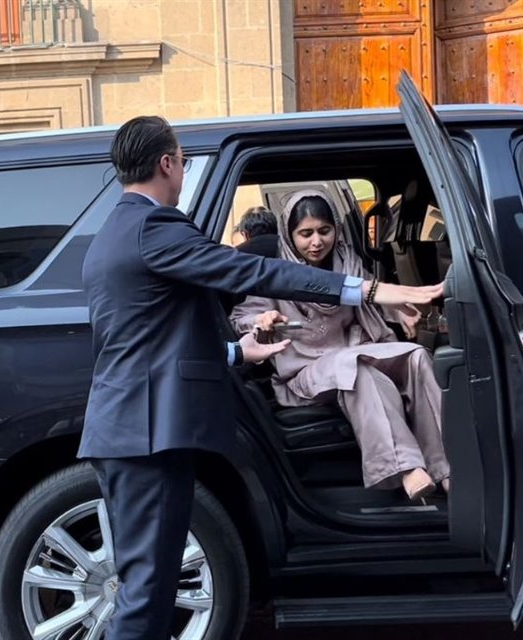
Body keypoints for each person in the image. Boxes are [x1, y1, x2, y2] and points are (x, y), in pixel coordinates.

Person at [80, 116, 444, 640]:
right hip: (146, 437)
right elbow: (257, 272)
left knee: (150, 589)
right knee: (144, 597)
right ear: (166, 163)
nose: (182, 169)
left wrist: (235, 351)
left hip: (132, 431)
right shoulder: (153, 227)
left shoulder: (117, 230)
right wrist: (371, 291)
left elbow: (146, 336)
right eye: (182, 160)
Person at [230, 189, 451, 503]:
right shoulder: (275, 273)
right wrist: (263, 320)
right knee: (357, 369)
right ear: (289, 236)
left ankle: (446, 467)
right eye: (305, 234)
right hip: (305, 370)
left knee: (415, 356)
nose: (316, 242)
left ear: (336, 229)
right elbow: (244, 317)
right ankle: (405, 467)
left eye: (324, 231)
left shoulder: (348, 263)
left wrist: (402, 308)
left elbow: (374, 299)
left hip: (354, 352)